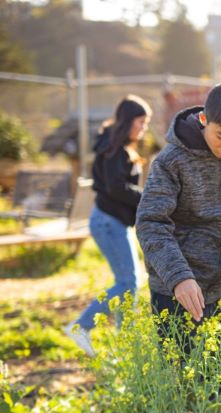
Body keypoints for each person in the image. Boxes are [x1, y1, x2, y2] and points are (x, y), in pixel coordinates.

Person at [136, 80, 221, 342]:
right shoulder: (170, 161)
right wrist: (179, 278)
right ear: (203, 119)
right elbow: (151, 223)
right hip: (176, 289)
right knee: (180, 376)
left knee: (218, 376)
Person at [65, 95, 152, 356]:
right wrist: (148, 197)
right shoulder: (115, 150)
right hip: (108, 222)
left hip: (112, 221)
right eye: (141, 122)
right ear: (128, 121)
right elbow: (117, 188)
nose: (143, 128)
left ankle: (125, 344)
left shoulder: (115, 147)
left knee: (130, 282)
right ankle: (81, 327)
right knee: (127, 282)